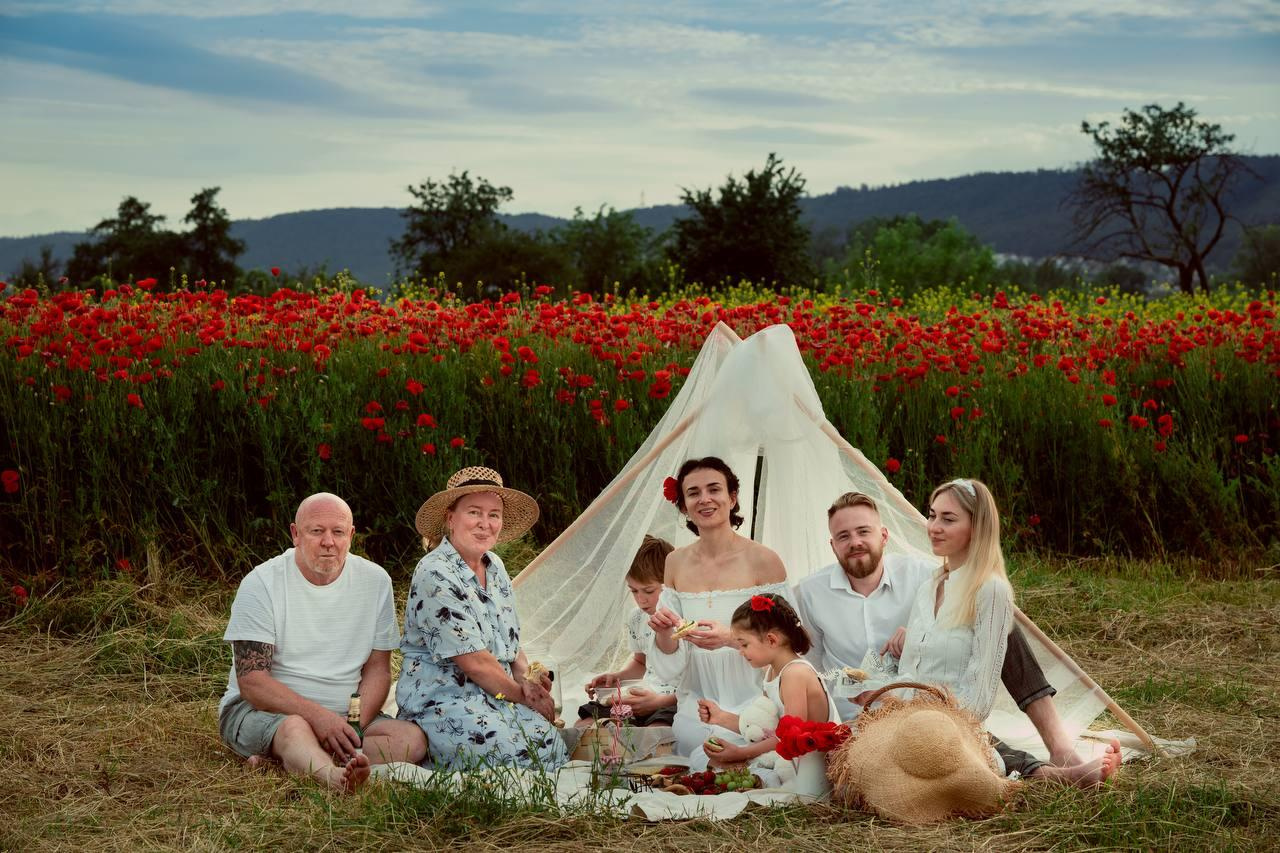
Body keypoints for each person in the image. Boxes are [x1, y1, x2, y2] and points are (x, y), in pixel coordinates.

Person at [893, 479, 1121, 786]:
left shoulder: (990, 590)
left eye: (948, 519)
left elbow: (978, 702)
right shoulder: (927, 588)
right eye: (932, 515)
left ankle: (1059, 774)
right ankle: (1057, 770)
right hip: (909, 719)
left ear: (977, 527)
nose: (934, 527)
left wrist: (939, 721)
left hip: (952, 724)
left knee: (968, 749)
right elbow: (909, 672)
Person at [218, 493, 427, 794]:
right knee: (294, 728)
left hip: (343, 713)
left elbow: (378, 670)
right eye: (317, 531)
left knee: (412, 740)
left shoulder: (375, 581)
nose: (328, 541)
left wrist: (351, 726)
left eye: (338, 532)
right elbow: (253, 682)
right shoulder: (262, 582)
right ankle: (333, 778)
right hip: (266, 712)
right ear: (296, 534)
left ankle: (294, 760)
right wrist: (319, 718)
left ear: (351, 536)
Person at [396, 466, 568, 770]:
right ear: (451, 518)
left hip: (496, 695)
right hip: (445, 700)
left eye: (493, 515)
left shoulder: (495, 566)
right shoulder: (435, 573)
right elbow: (474, 662)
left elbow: (511, 643)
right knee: (510, 754)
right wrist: (523, 696)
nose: (485, 524)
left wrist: (530, 681)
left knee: (549, 744)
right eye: (474, 512)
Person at [647, 456, 788, 761]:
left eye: (714, 489)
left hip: (754, 709)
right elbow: (670, 660)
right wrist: (663, 632)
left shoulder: (764, 560)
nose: (705, 499)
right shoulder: (675, 562)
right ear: (684, 506)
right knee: (696, 761)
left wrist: (730, 638)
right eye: (693, 493)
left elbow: (788, 642)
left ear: (732, 498)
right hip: (696, 707)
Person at [696, 592, 839, 797]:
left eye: (744, 644)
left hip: (811, 769)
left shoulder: (795, 674)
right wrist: (720, 717)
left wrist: (741, 753)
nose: (740, 651)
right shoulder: (772, 671)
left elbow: (790, 738)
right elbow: (765, 728)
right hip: (789, 760)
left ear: (771, 640)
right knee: (710, 762)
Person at [578, 535, 678, 727]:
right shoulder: (637, 618)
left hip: (672, 702)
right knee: (587, 725)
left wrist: (658, 702)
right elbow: (641, 662)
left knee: (654, 733)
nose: (641, 599)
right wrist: (617, 677)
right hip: (642, 696)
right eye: (634, 591)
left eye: (649, 591)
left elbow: (697, 684)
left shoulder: (684, 619)